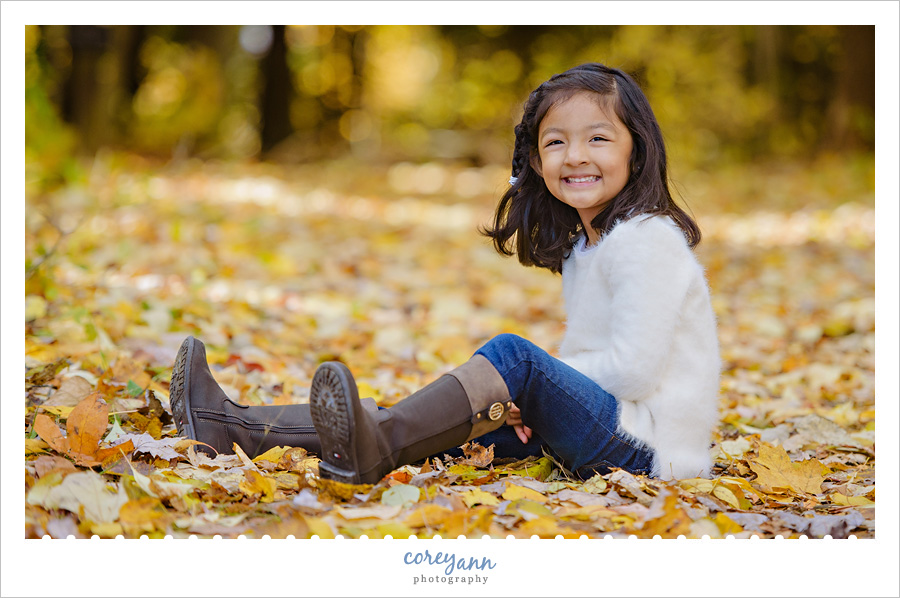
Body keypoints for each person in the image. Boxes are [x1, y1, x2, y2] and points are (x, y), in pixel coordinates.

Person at [170, 62, 720, 486]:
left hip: (650, 449)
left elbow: (634, 371)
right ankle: (236, 428)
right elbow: (594, 366)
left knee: (516, 359)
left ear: (637, 150)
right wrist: (540, 399)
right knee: (433, 426)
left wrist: (541, 386)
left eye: (598, 138)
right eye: (556, 142)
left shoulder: (647, 240)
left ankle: (374, 444)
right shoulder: (588, 246)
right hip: (608, 430)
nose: (576, 155)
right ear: (534, 162)